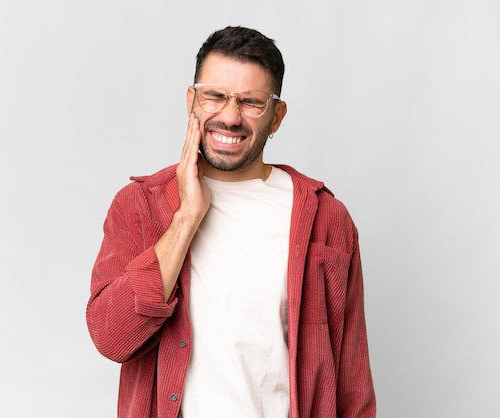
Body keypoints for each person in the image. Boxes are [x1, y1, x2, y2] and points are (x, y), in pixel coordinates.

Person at [86, 26, 376, 418]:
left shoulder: (327, 219)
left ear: (276, 116)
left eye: (251, 102)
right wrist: (187, 217)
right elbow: (112, 337)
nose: (230, 116)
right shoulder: (140, 206)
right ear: (192, 100)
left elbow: (352, 382)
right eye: (215, 96)